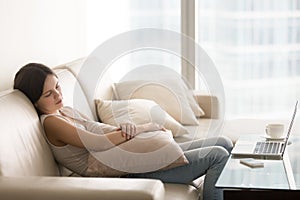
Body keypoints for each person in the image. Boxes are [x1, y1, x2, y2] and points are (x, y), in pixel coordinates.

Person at [14, 63, 233, 200]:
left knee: (223, 142)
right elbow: (96, 142)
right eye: (48, 94)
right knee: (218, 156)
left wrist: (126, 128)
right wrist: (144, 127)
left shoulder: (66, 111)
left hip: (126, 155)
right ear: (34, 101)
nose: (57, 96)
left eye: (58, 87)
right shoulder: (51, 122)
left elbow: (98, 128)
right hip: (125, 170)